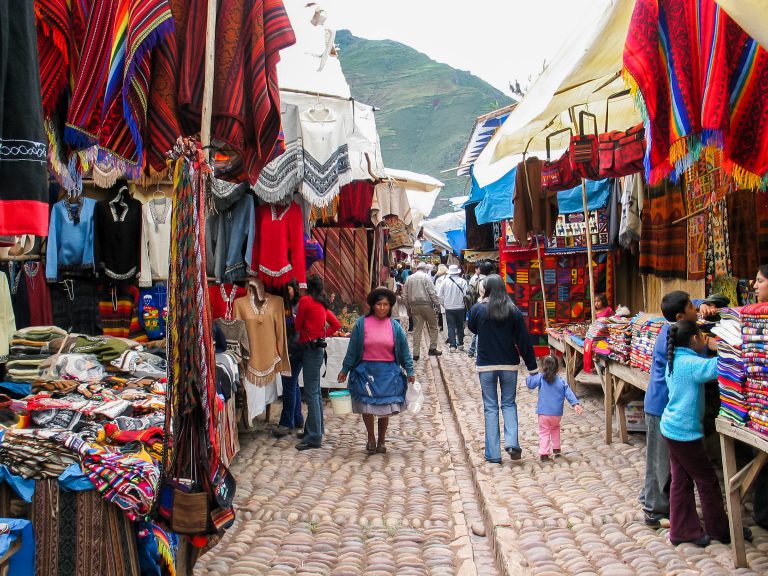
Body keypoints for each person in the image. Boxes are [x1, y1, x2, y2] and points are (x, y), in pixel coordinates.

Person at [662, 320, 742, 546]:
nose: (705, 338)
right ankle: (720, 531)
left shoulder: (675, 358)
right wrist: (730, 346)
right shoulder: (690, 363)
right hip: (684, 433)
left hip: (672, 428)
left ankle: (682, 530)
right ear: (694, 339)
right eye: (702, 335)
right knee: (707, 481)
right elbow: (721, 367)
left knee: (681, 480)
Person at [641, 291, 717, 528]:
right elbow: (701, 362)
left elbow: (684, 305)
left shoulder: (674, 328)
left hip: (662, 405)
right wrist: (710, 346)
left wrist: (701, 303)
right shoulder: (673, 340)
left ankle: (651, 499)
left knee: (659, 461)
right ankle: (654, 511)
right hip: (663, 406)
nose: (696, 312)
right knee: (661, 462)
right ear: (680, 316)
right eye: (691, 309)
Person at [468, 274, 538, 464]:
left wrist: (480, 303)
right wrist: (532, 367)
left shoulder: (478, 309)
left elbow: (472, 328)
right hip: (509, 365)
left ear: (487, 289)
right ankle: (512, 443)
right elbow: (523, 340)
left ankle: (493, 453)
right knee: (509, 404)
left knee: (490, 407)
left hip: (486, 365)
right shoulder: (513, 310)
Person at [338, 288, 415, 454]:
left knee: (384, 408)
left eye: (385, 304)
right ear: (373, 306)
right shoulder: (361, 324)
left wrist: (410, 370)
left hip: (387, 373)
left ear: (390, 306)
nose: (382, 308)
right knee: (367, 407)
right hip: (366, 372)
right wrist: (345, 369)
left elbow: (404, 350)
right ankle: (371, 437)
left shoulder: (395, 326)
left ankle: (381, 440)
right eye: (379, 304)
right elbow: (352, 349)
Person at [294, 275, 341, 450]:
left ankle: (314, 437)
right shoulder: (322, 304)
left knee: (312, 393)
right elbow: (336, 324)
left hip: (309, 348)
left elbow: (298, 325)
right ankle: (314, 429)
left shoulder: (306, 301)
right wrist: (323, 334)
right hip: (318, 349)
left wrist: (312, 333)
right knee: (315, 391)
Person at [526, 355, 583, 461]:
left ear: (543, 367)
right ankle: (556, 448)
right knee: (555, 428)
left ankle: (544, 453)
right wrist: (575, 404)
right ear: (557, 368)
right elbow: (569, 393)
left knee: (544, 432)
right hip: (557, 414)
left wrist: (531, 375)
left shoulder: (540, 378)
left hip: (543, 413)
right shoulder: (561, 382)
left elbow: (530, 384)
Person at [273, 280, 303, 438]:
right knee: (293, 383)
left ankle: (286, 422)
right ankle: (297, 418)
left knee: (289, 385)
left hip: (295, 349)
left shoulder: (298, 305)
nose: (286, 291)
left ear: (295, 289)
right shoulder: (281, 305)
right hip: (288, 348)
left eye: (289, 288)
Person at [403, 262, 442, 361]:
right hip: (426, 305)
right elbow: (432, 292)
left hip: (414, 306)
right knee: (433, 326)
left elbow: (405, 295)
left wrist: (408, 308)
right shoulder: (426, 277)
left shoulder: (409, 278)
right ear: (425, 269)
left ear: (416, 269)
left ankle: (416, 353)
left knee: (417, 330)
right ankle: (432, 348)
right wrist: (437, 304)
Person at [437, 264, 469, 351]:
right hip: (460, 307)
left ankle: (452, 346)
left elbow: (439, 295)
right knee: (460, 326)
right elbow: (466, 295)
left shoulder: (445, 282)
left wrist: (444, 304)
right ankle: (461, 344)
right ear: (458, 272)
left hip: (449, 308)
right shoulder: (463, 281)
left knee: (450, 326)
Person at [467, 261, 494, 358]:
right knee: (479, 333)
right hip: (483, 307)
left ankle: (472, 350)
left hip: (476, 307)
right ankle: (478, 354)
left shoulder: (475, 280)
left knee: (477, 332)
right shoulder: (487, 281)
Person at [434, 264, 449, 332]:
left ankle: (443, 327)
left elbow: (437, 291)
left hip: (442, 299)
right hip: (450, 299)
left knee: (443, 314)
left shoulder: (438, 279)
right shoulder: (449, 278)